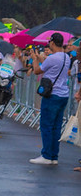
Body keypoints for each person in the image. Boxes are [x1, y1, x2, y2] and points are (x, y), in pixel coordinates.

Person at [29, 33, 71, 165]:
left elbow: (37, 70)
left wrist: (34, 59)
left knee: (46, 125)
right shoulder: (66, 57)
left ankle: (46, 155)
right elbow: (50, 64)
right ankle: (54, 156)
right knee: (56, 127)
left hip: (52, 95)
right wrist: (40, 58)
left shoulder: (52, 58)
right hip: (63, 95)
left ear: (52, 43)